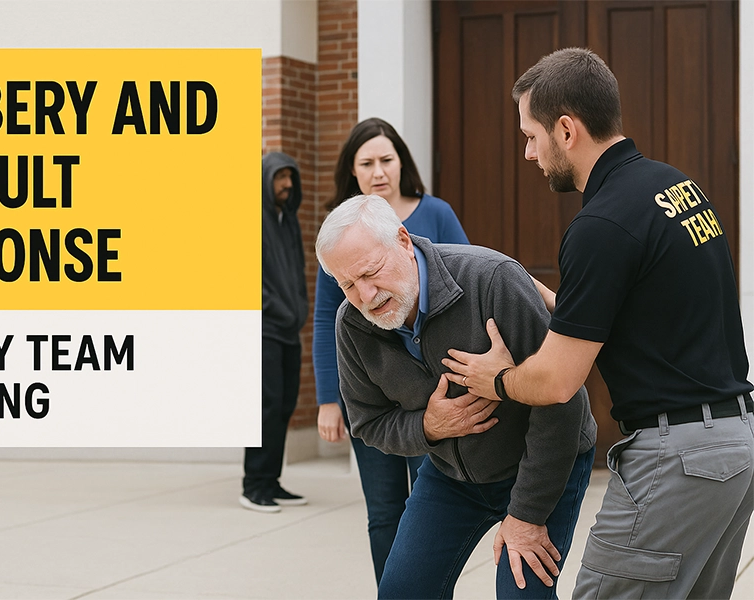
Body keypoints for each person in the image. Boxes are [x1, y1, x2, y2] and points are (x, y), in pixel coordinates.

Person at [445, 48, 754, 599]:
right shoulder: (678, 188)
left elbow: (557, 382)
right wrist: (561, 304)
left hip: (677, 459)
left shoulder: (601, 223)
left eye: (531, 135)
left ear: (566, 130)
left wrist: (497, 379)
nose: (527, 152)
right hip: (733, 445)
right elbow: (655, 311)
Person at [316, 194, 597, 599]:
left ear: (403, 240)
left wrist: (527, 514)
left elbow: (562, 401)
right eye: (348, 285)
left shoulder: (492, 279)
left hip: (541, 464)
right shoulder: (352, 325)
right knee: (402, 593)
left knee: (521, 595)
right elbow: (367, 422)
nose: (366, 295)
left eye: (371, 272)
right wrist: (427, 427)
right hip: (451, 475)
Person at [312, 117, 469, 582]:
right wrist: (328, 398)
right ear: (352, 171)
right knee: (383, 511)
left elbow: (467, 287)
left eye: (386, 159)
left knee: (429, 504)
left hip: (429, 393)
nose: (378, 171)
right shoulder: (339, 235)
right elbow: (326, 318)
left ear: (402, 162)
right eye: (367, 163)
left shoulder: (436, 213)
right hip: (374, 393)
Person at [243, 151, 309, 513]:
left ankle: (271, 480)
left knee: (284, 405)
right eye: (280, 177)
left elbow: (297, 271)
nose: (286, 184)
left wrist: (298, 307)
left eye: (290, 177)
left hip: (288, 328)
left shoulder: (289, 220)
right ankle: (254, 484)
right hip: (264, 328)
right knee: (265, 407)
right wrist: (277, 308)